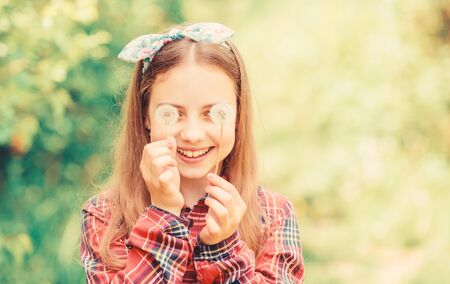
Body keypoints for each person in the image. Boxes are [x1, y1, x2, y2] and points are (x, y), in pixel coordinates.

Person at [80, 22, 305, 283]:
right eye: (172, 114)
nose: (192, 134)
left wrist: (222, 248)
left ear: (237, 116)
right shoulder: (105, 215)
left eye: (213, 113)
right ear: (146, 116)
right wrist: (163, 213)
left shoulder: (274, 214)